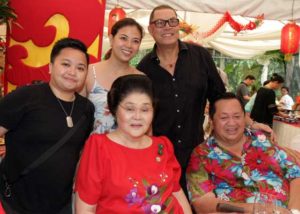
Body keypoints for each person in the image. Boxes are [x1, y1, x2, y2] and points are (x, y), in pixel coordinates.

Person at [136, 4, 273, 196]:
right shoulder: (143, 69)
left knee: (199, 203)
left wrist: (251, 123)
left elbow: (220, 98)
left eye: (172, 21)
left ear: (178, 26)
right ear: (151, 29)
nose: (167, 26)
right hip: (159, 155)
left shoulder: (200, 56)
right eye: (159, 23)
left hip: (197, 153)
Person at [0, 38, 95, 214]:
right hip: (14, 203)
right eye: (66, 64)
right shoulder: (25, 97)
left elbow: (79, 152)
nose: (72, 72)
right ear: (50, 67)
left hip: (61, 205)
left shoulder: (86, 109)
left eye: (80, 68)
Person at [75, 74, 192, 213]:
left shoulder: (162, 146)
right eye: (129, 109)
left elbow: (176, 192)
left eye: (145, 109)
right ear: (114, 109)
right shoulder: (99, 147)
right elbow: (86, 209)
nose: (137, 117)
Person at [186, 92, 300, 213]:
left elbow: (295, 173)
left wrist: (294, 211)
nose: (232, 123)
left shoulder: (261, 140)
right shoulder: (201, 155)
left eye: (237, 116)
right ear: (212, 120)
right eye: (224, 118)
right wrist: (258, 209)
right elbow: (202, 204)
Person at [81, 18, 144, 134]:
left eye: (135, 41)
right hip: (92, 148)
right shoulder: (89, 72)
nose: (129, 45)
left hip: (127, 149)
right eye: (123, 38)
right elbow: (77, 116)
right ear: (111, 39)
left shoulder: (142, 80)